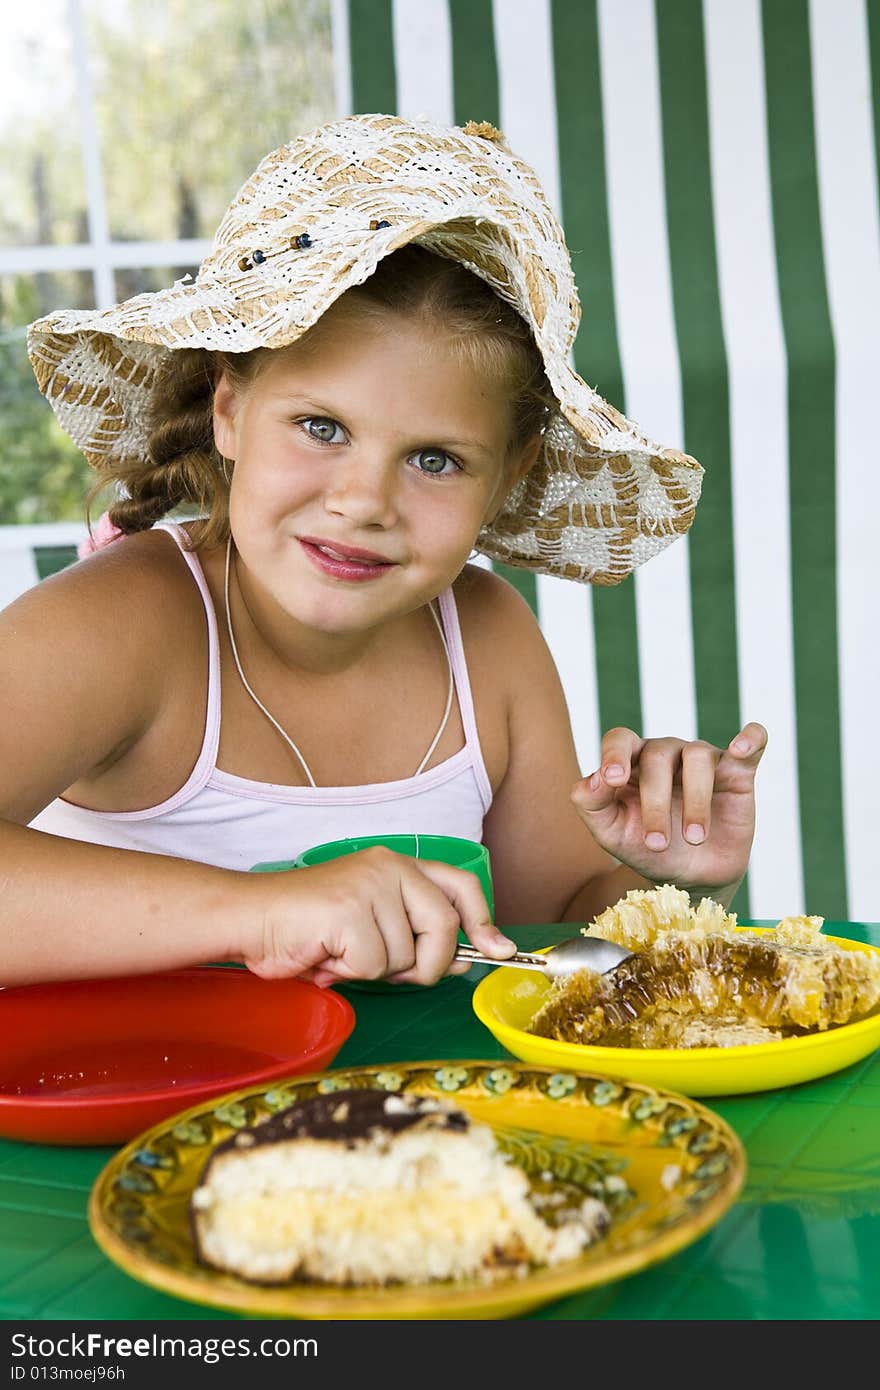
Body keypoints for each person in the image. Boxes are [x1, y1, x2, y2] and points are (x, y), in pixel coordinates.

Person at [5, 113, 766, 990]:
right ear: (229, 410)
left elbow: (545, 933)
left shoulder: (485, 642)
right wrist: (265, 910)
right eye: (321, 427)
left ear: (507, 479)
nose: (364, 502)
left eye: (435, 459)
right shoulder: (124, 620)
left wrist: (664, 876)